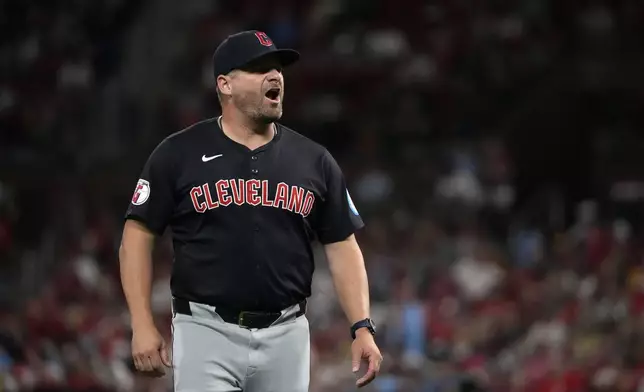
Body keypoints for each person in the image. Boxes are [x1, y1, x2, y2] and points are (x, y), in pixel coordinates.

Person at [118, 30, 383, 392]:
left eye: (277, 68)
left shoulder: (315, 160)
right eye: (259, 69)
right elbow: (137, 235)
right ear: (225, 84)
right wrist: (142, 322)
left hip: (287, 333)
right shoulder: (177, 154)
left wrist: (362, 327)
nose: (274, 76)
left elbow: (342, 244)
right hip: (205, 331)